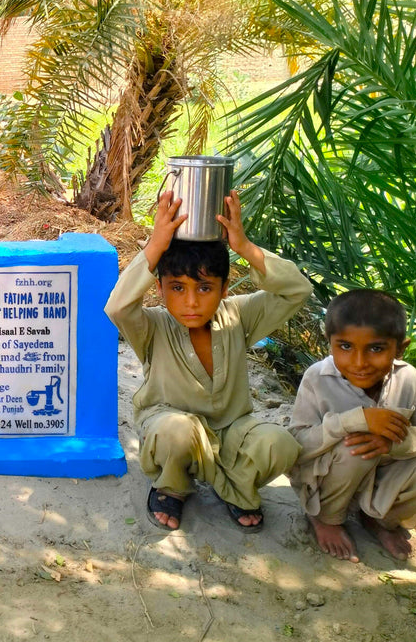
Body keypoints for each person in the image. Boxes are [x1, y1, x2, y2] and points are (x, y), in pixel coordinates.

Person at [105, 190, 312, 532]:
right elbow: (117, 307)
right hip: (172, 430)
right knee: (177, 431)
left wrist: (244, 246)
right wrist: (155, 245)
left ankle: (237, 486)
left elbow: (296, 290)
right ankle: (173, 487)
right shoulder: (153, 326)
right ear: (159, 288)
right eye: (177, 288)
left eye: (204, 288)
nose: (190, 302)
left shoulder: (239, 316)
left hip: (232, 432)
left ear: (224, 288)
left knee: (282, 444)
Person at [289, 290, 416, 562]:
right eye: (345, 346)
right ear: (329, 342)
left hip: (383, 482)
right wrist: (355, 420)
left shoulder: (409, 379)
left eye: (376, 349)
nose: (359, 362)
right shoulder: (317, 378)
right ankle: (326, 518)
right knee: (356, 445)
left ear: (400, 348)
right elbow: (298, 444)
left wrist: (394, 443)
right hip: (329, 481)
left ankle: (380, 520)